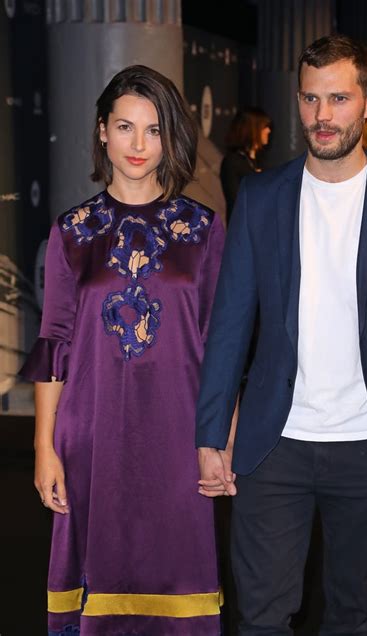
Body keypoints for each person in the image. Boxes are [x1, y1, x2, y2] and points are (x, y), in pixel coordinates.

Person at [196, 35, 367, 636]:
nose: (322, 115)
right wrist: (211, 432)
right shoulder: (260, 196)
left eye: (338, 98)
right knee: (259, 619)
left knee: (349, 617)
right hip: (273, 445)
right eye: (311, 99)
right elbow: (229, 323)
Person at [20, 65, 224, 635]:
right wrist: (44, 446)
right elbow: (54, 343)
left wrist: (222, 433)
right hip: (91, 438)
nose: (139, 145)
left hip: (178, 437)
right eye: (125, 127)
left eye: (154, 130)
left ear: (170, 138)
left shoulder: (203, 230)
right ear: (102, 131)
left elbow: (218, 342)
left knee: (180, 587)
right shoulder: (73, 231)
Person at [220, 107, 271, 223]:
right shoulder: (232, 161)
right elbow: (236, 201)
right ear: (253, 129)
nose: (268, 131)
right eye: (264, 127)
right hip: (243, 230)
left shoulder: (259, 159)